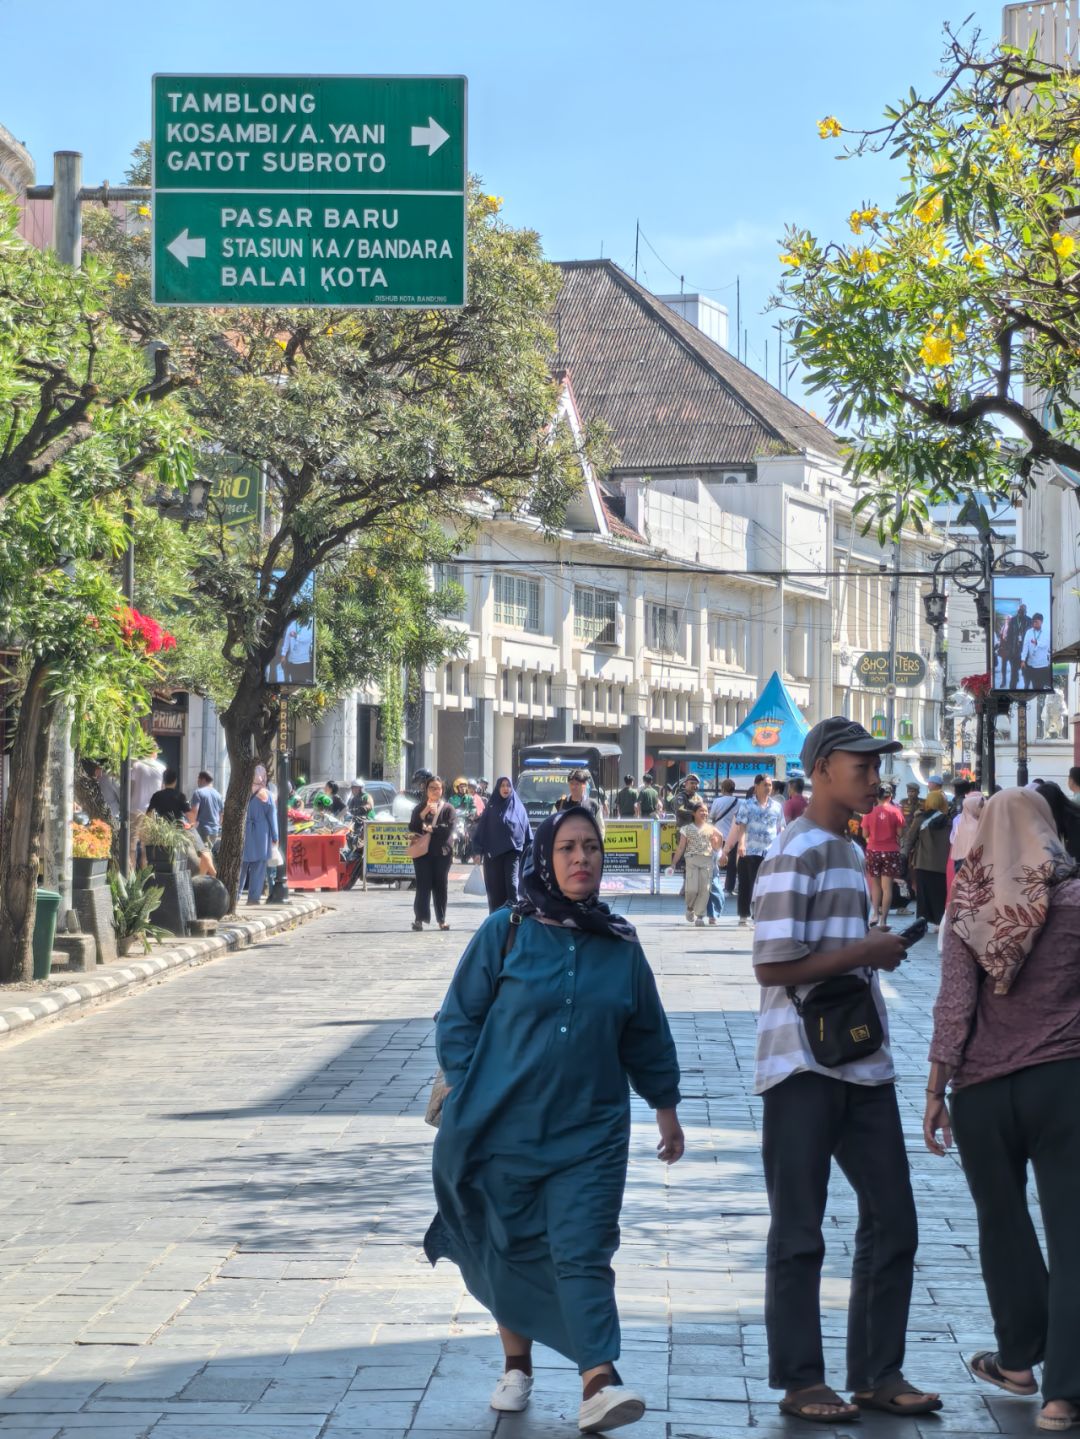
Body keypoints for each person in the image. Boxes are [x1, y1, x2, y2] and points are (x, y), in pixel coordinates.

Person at [424, 807, 684, 1433]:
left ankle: (599, 1378)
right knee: (507, 1243)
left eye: (591, 847)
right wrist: (466, 1091)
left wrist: (665, 1109)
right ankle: (518, 1363)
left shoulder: (621, 946)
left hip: (590, 1133)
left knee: (584, 1249)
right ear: (546, 856)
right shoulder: (505, 930)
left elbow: (647, 1033)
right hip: (500, 1127)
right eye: (567, 847)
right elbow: (457, 1020)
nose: (580, 859)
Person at [752, 717, 940, 1424]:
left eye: (875, 766)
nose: (873, 777)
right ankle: (802, 1379)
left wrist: (870, 948)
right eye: (862, 765)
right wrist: (867, 950)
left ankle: (876, 1371)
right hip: (800, 1062)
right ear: (825, 767)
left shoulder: (844, 848)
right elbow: (770, 963)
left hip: (861, 1062)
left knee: (895, 1219)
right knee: (799, 1229)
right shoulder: (793, 850)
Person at [925, 787, 1080, 1434]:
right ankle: (1061, 1396)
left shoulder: (971, 899)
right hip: (1061, 1082)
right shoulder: (1074, 897)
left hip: (983, 1094)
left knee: (1002, 1225)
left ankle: (1018, 1358)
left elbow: (955, 1002)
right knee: (1072, 1239)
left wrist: (936, 1089)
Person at [721, 774, 785, 927]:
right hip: (750, 850)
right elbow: (741, 826)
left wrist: (781, 846)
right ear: (756, 786)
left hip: (769, 851)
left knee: (766, 884)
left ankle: (760, 914)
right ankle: (744, 914)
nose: (768, 788)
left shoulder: (777, 806)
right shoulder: (747, 805)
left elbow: (780, 827)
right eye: (765, 785)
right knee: (746, 884)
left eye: (770, 785)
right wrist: (741, 844)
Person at [471, 776, 532, 912]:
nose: (505, 788)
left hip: (513, 852)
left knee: (511, 885)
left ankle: (514, 916)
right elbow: (482, 830)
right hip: (493, 855)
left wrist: (529, 852)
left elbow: (526, 830)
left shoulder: (518, 807)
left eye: (508, 785)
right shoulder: (491, 807)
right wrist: (477, 851)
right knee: (495, 889)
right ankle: (496, 919)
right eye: (502, 785)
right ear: (498, 788)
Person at [409, 774, 455, 932]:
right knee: (423, 885)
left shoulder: (448, 808)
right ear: (426, 790)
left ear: (442, 790)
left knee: (440, 886)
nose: (435, 791)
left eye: (438, 788)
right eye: (432, 788)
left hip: (442, 853)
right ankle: (419, 919)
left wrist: (430, 828)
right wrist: (424, 814)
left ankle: (441, 919)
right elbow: (413, 828)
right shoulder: (419, 808)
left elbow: (448, 829)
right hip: (422, 853)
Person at [668, 798, 723, 926]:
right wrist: (673, 863)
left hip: (707, 860)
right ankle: (690, 908)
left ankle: (700, 916)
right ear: (694, 813)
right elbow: (681, 847)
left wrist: (719, 839)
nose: (704, 813)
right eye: (701, 811)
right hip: (692, 860)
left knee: (705, 889)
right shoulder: (686, 829)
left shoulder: (711, 828)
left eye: (706, 811)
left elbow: (716, 847)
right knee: (692, 889)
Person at [860, 784, 906, 930]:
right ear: (890, 796)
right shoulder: (896, 811)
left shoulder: (869, 812)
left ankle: (874, 914)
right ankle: (884, 920)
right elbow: (900, 833)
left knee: (875, 885)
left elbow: (864, 835)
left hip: (873, 850)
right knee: (887, 887)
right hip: (891, 851)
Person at [906, 789, 951, 930]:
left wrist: (903, 855)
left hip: (923, 863)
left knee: (923, 896)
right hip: (942, 864)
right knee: (940, 894)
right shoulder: (949, 820)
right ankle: (939, 922)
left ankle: (922, 922)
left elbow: (909, 839)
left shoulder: (920, 818)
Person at [240, 765, 278, 906]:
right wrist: (275, 837)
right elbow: (272, 818)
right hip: (261, 834)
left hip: (244, 832)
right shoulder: (267, 795)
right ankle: (253, 898)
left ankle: (235, 896)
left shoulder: (241, 792)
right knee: (259, 867)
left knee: (241, 867)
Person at [709, 779, 741, 896]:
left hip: (719, 836)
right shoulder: (739, 802)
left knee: (715, 861)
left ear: (722, 788)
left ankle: (713, 885)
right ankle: (729, 888)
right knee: (732, 864)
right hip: (733, 837)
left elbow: (712, 816)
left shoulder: (717, 801)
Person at [948, 791, 985, 887]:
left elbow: (952, 839)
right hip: (970, 858)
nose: (981, 808)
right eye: (979, 806)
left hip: (964, 857)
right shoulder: (981, 821)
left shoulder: (959, 819)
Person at [555, 769, 605, 838]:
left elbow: (600, 829)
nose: (573, 787)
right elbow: (552, 825)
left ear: (584, 785)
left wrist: (596, 845)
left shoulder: (593, 805)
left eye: (577, 784)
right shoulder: (559, 804)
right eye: (571, 783)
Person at [188, 770, 224, 843]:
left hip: (201, 830)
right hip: (214, 831)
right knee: (208, 852)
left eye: (198, 779)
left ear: (203, 780)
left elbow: (194, 813)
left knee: (201, 853)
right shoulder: (218, 795)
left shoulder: (198, 793)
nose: (197, 781)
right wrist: (217, 825)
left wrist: (191, 828)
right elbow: (222, 815)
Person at [1020, 612, 1052, 690]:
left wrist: (1037, 642)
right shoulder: (1029, 632)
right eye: (1033, 622)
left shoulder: (1046, 632)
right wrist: (1023, 660)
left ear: (1041, 622)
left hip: (1042, 665)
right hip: (1031, 664)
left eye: (1036, 622)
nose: (1034, 624)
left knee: (1040, 686)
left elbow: (1046, 644)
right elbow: (1025, 646)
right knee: (1034, 686)